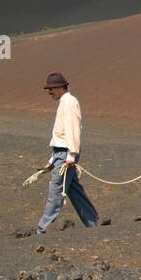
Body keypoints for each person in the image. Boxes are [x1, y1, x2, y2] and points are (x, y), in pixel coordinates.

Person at [34, 71, 100, 233]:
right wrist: (52, 160)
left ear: (58, 87)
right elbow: (61, 135)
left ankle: (43, 229)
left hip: (66, 153)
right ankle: (93, 224)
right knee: (73, 189)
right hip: (61, 153)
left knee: (55, 189)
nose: (49, 92)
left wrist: (71, 155)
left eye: (50, 89)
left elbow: (73, 129)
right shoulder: (64, 102)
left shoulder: (69, 102)